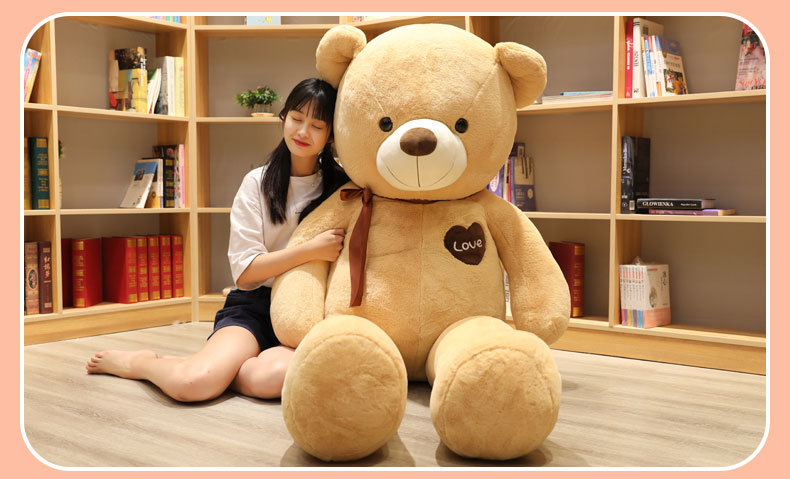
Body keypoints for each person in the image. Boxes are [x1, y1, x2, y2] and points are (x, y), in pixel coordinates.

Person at [86, 78, 349, 402]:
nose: (303, 132)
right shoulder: (257, 183)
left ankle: (218, 371)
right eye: (296, 118)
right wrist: (310, 250)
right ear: (283, 118)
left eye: (317, 125)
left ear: (330, 134)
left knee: (271, 380)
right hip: (254, 305)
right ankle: (141, 363)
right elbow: (246, 273)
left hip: (307, 309)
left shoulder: (342, 186)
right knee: (191, 385)